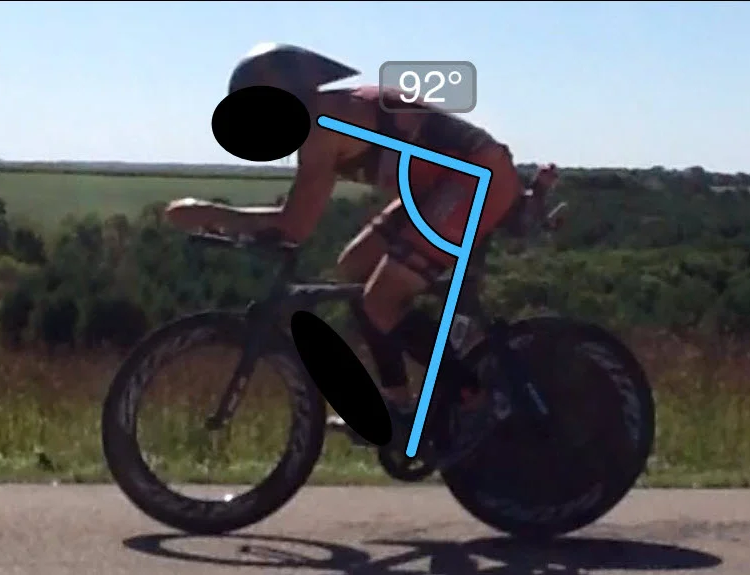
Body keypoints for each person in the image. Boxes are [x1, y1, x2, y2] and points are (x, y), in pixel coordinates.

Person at [165, 44, 560, 448]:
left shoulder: (323, 126)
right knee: (354, 268)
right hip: (446, 183)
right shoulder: (326, 114)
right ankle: (398, 403)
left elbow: (295, 226)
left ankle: (475, 399)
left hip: (473, 180)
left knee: (381, 300)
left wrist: (210, 213)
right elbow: (297, 213)